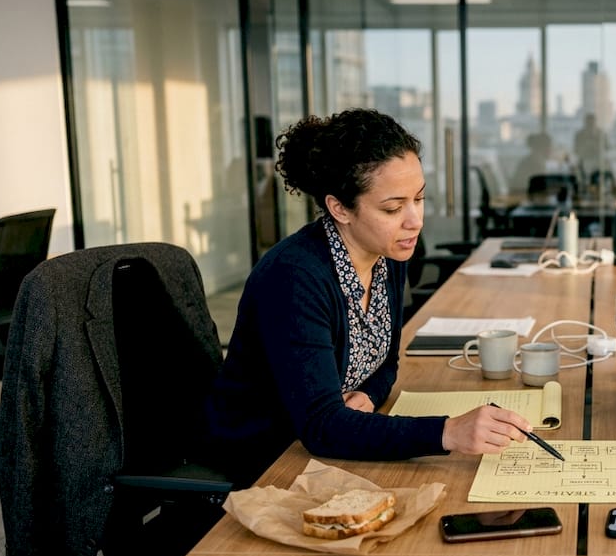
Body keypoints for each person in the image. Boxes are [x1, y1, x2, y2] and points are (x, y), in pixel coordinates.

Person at [203, 108, 535, 486]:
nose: (415, 220)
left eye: (419, 199)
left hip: (331, 448)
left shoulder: (386, 254)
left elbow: (387, 363)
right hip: (267, 459)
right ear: (339, 208)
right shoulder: (294, 277)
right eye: (393, 208)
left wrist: (367, 395)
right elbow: (321, 427)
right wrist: (448, 433)